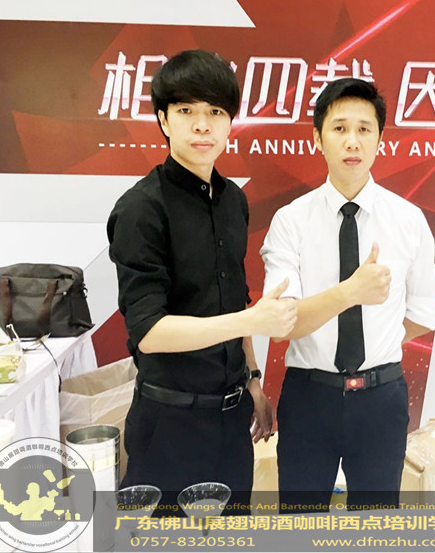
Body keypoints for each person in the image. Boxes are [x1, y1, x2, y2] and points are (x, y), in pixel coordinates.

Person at [107, 49, 297, 504]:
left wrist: (253, 379)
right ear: (163, 120)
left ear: (230, 122)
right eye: (186, 111)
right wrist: (251, 321)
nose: (201, 125)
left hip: (232, 422)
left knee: (233, 533)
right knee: (167, 536)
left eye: (215, 112)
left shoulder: (233, 200)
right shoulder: (141, 209)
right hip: (168, 424)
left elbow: (235, 295)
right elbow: (149, 332)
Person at [260, 77, 435, 512]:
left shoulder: (408, 220)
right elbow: (281, 325)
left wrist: (377, 342)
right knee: (299, 525)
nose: (352, 141)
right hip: (309, 397)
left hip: (381, 398)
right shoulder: (291, 221)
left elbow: (421, 315)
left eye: (364, 129)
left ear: (380, 139)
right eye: (339, 128)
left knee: (375, 528)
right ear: (317, 137)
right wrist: (350, 293)